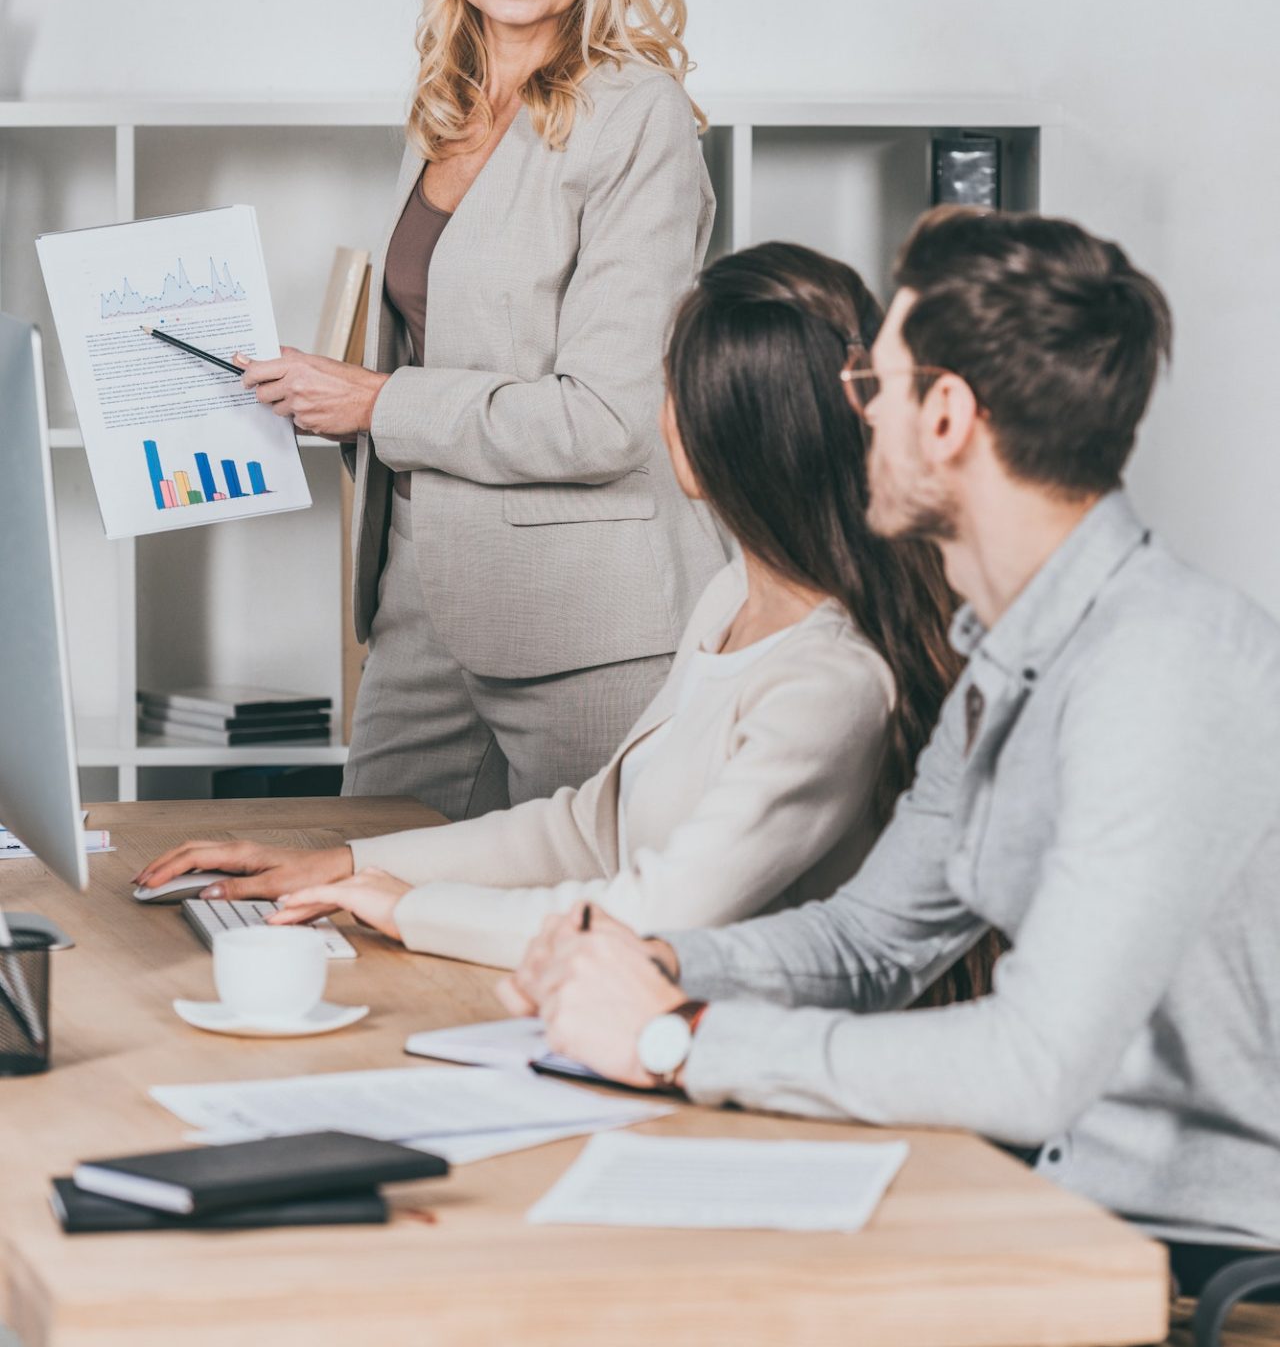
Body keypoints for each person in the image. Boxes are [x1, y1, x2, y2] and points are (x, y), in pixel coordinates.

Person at [507, 207, 1280, 1347]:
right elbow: (868, 941)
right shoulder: (1012, 660)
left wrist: (674, 1039)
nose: (849, 409)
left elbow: (1030, 1065)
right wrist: (657, 957)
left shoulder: (1157, 670)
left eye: (874, 378)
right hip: (1050, 1250)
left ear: (946, 418)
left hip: (1198, 1315)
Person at [138, 243, 987, 993]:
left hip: (712, 1045)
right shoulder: (733, 597)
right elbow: (595, 829)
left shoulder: (828, 682)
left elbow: (656, 913)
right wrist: (346, 864)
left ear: (708, 435)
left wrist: (412, 910)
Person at [229, 0, 724, 817]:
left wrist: (375, 404)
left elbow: (606, 417)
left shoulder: (640, 119)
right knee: (364, 904)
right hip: (419, 595)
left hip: (585, 622)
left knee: (583, 933)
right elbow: (440, 344)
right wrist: (319, 393)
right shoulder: (445, 105)